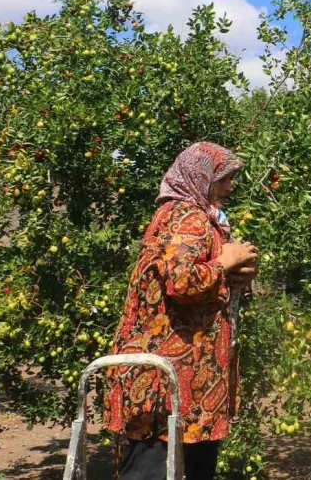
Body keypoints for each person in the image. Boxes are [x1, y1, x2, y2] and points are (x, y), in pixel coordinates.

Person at [104, 142, 259, 480]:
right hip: (172, 377)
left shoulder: (176, 216)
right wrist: (224, 262)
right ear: (201, 177)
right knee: (154, 468)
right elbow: (181, 281)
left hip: (184, 377)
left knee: (167, 463)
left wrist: (235, 276)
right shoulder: (189, 218)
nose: (230, 187)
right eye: (223, 179)